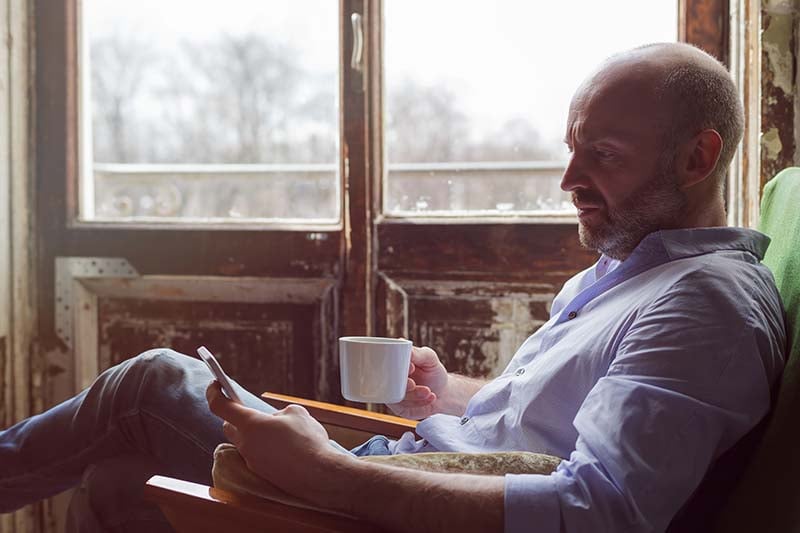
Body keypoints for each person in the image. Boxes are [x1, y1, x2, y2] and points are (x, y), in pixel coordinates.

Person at [1, 42, 786, 533]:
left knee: (151, 386)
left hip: (377, 498)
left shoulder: (701, 306)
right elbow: (557, 418)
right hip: (404, 460)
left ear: (696, 157)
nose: (568, 180)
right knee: (115, 481)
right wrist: (451, 394)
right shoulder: (632, 269)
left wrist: (323, 472)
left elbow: (602, 509)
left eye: (602, 157)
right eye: (572, 150)